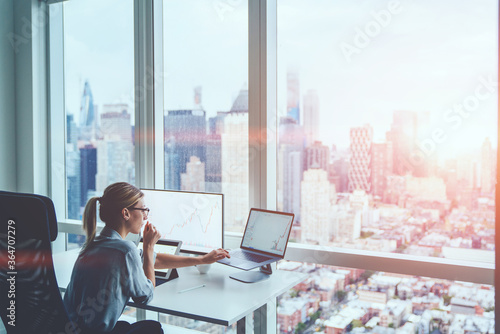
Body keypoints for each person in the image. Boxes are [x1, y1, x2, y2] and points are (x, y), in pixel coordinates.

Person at [63, 182, 230, 334]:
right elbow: (145, 296)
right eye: (143, 210)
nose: (146, 216)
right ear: (126, 213)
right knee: (154, 329)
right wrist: (149, 246)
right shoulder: (125, 250)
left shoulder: (96, 243)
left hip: (76, 329)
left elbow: (155, 260)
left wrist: (201, 260)